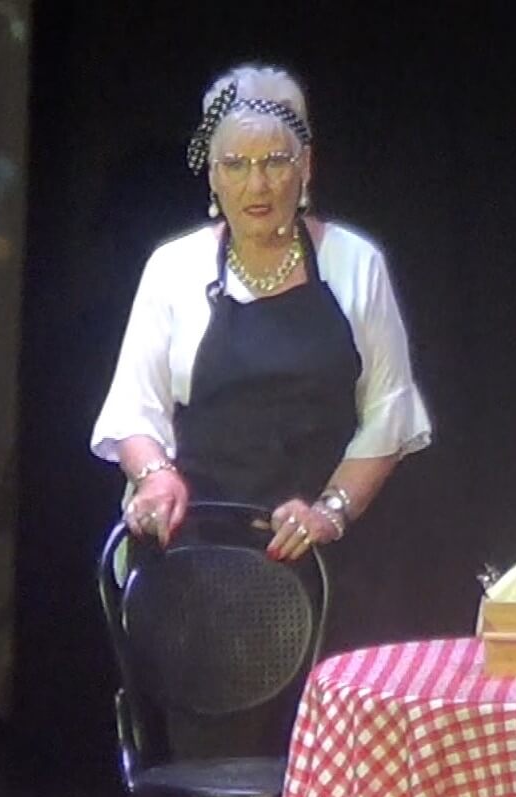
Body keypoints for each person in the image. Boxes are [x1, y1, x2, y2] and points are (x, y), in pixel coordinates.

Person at [90, 62, 432, 648]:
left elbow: (389, 414)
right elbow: (133, 412)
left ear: (306, 167)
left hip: (329, 570)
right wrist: (155, 478)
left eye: (275, 162)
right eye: (236, 164)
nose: (257, 185)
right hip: (197, 570)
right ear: (212, 176)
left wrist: (330, 511)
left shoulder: (355, 264)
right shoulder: (174, 270)